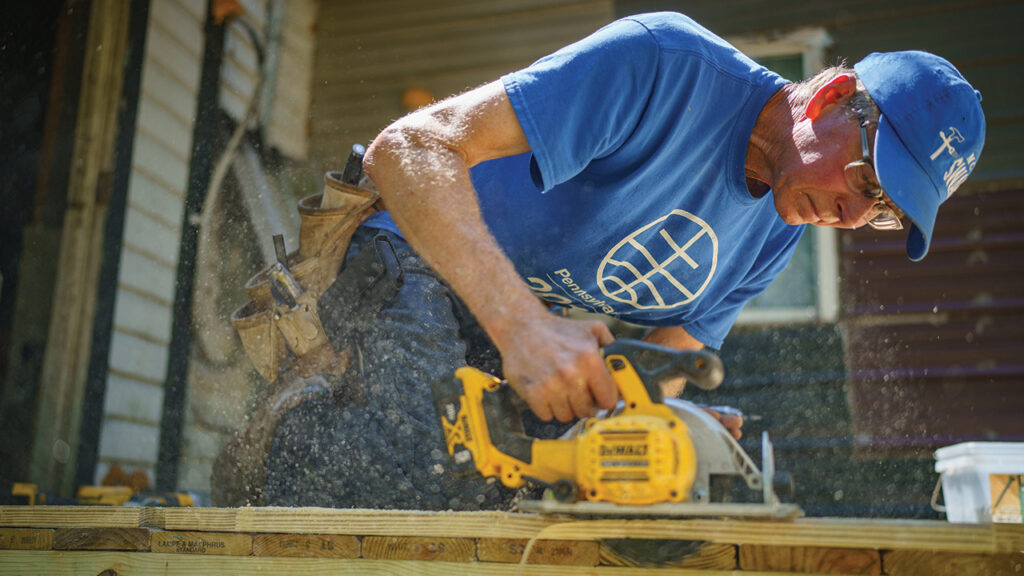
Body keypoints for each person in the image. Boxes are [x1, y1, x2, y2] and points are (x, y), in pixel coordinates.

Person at [263, 11, 985, 510]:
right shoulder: (666, 65)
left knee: (516, 484)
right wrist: (522, 329)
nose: (856, 216)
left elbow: (661, 365)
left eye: (884, 212)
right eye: (865, 181)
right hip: (415, 252)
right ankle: (280, 446)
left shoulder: (776, 232)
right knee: (421, 463)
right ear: (830, 96)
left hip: (514, 323)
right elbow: (408, 149)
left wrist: (680, 429)